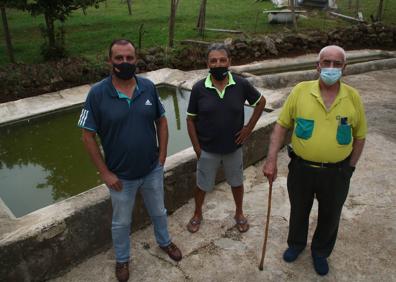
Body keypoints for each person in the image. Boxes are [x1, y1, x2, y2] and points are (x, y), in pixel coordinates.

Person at [78, 39, 182, 282]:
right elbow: (87, 136)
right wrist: (105, 173)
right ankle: (122, 260)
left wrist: (162, 155)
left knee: (159, 211)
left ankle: (165, 242)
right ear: (110, 62)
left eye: (129, 58)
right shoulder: (97, 94)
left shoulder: (148, 87)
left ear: (136, 60)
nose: (125, 63)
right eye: (119, 58)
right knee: (121, 222)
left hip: (151, 170)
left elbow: (162, 121)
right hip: (120, 176)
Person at [262, 45, 367, 276]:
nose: (331, 68)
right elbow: (281, 126)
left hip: (337, 172)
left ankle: (320, 252)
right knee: (299, 210)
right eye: (326, 63)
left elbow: (359, 136)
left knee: (330, 215)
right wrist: (271, 160)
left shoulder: (352, 97)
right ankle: (296, 244)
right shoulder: (300, 91)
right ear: (316, 66)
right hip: (301, 169)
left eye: (337, 64)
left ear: (344, 68)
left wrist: (350, 168)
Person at [186, 43, 266, 233]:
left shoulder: (240, 84)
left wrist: (248, 128)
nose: (218, 63)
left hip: (233, 148)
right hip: (207, 149)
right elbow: (190, 120)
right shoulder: (199, 88)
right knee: (201, 185)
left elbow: (261, 102)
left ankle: (239, 213)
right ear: (208, 63)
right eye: (213, 61)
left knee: (237, 183)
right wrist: (198, 149)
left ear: (229, 61)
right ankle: (197, 213)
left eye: (222, 60)